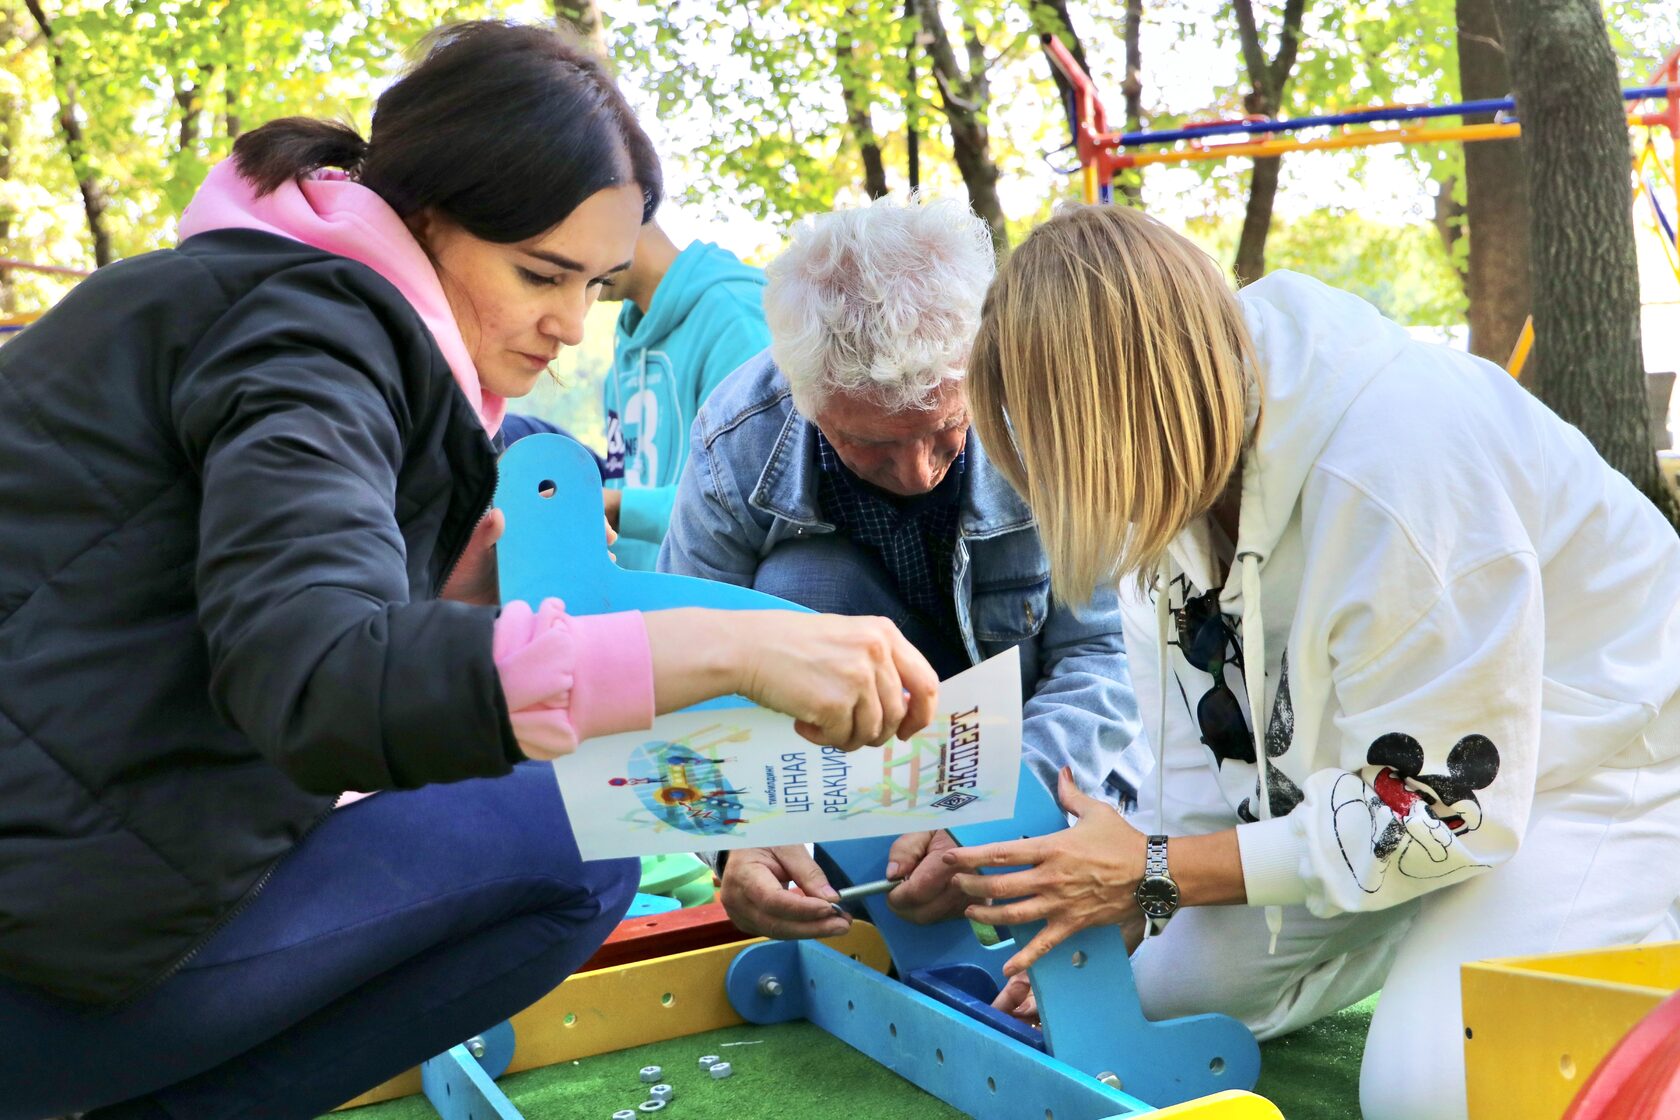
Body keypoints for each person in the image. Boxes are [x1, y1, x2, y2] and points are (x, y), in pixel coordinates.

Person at [0, 23, 935, 1120]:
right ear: (429, 214)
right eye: (540, 274)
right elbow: (319, 675)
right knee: (580, 831)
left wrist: (445, 614)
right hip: (34, 965)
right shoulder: (310, 335)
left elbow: (187, 654)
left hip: (52, 900)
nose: (567, 326)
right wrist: (739, 645)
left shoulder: (247, 299)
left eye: (593, 284)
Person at [952, 203, 1680, 1120]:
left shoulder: (1397, 468)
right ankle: (1415, 922)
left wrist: (1154, 869)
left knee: (1431, 1095)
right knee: (1139, 1007)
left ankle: (1635, 923)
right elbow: (1200, 784)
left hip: (1602, 761)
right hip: (1365, 798)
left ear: (1132, 413)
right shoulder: (1181, 472)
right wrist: (1134, 895)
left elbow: (1445, 813)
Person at [659, 197, 1144, 939]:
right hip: (839, 756)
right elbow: (682, 663)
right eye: (871, 446)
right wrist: (735, 837)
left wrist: (997, 806)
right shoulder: (738, 439)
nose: (916, 471)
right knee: (797, 587)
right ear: (807, 401)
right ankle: (845, 887)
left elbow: (1105, 653)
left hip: (1021, 724)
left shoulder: (1045, 407)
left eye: (946, 428)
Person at [503, 219, 769, 570]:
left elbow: (755, 501)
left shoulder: (736, 321)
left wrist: (617, 505)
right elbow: (623, 473)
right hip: (631, 584)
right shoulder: (629, 339)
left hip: (698, 595)